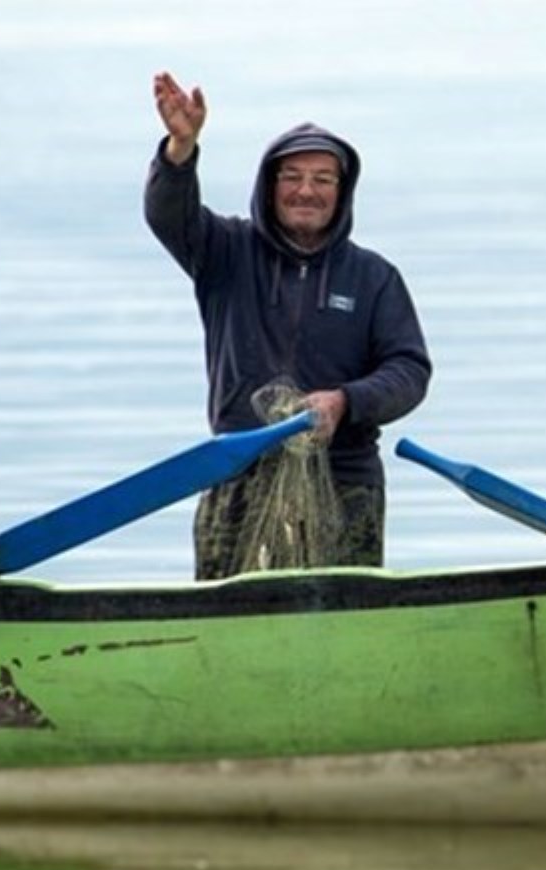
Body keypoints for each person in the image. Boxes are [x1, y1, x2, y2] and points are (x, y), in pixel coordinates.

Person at [145, 71, 432, 580]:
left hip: (345, 483)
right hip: (238, 475)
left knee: (344, 616)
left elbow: (409, 371)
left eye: (323, 180)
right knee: (226, 614)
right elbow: (168, 215)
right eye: (292, 177)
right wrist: (180, 149)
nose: (306, 191)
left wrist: (344, 401)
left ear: (342, 192)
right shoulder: (225, 252)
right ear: (269, 185)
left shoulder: (374, 278)